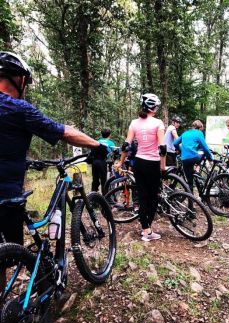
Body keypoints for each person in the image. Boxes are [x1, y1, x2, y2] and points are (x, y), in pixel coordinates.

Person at [0, 51, 109, 246]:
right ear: (19, 79)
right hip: (6, 195)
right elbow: (63, 132)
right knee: (8, 255)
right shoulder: (18, 108)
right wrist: (97, 144)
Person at [115, 93, 166, 242]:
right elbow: (162, 148)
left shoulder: (134, 123)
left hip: (139, 162)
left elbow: (126, 146)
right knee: (153, 196)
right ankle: (148, 230)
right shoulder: (158, 123)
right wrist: (162, 167)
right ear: (153, 107)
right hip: (153, 163)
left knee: (142, 196)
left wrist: (120, 162)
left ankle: (145, 229)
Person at [173, 120, 213, 193]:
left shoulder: (185, 133)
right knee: (204, 152)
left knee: (189, 181)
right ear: (200, 127)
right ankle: (198, 170)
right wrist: (210, 159)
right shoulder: (199, 133)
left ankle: (191, 199)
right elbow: (205, 148)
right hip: (195, 158)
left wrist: (181, 150)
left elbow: (175, 143)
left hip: (184, 159)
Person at [92, 128, 116, 194]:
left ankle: (93, 196)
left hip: (94, 162)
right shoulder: (111, 143)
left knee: (95, 179)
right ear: (109, 135)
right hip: (103, 162)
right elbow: (114, 152)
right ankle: (105, 197)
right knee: (104, 180)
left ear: (101, 134)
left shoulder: (97, 141)